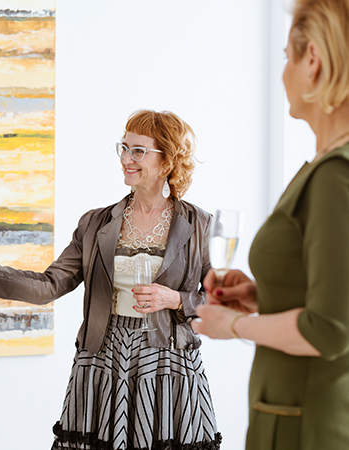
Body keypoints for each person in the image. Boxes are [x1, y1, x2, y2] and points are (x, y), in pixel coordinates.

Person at [0, 110, 221, 449]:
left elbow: (221, 301)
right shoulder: (96, 223)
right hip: (103, 361)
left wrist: (174, 299)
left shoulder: (200, 225)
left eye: (138, 151)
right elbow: (49, 285)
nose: (126, 159)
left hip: (168, 368)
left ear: (168, 160)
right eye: (124, 148)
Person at [192, 1, 349, 449]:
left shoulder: (335, 176)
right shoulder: (320, 168)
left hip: (308, 425)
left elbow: (331, 329)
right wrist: (263, 295)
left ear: (313, 61)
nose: (282, 73)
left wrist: (232, 325)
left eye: (287, 57)